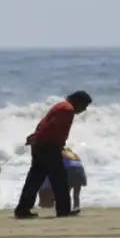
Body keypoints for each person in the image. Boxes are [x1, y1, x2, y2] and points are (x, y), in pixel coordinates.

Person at [14, 91, 92, 219]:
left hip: (40, 145)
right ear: (78, 101)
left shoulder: (61, 106)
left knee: (34, 179)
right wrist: (45, 140)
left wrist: (35, 137)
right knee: (59, 179)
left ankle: (23, 208)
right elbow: (51, 127)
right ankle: (64, 210)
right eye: (84, 106)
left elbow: (44, 124)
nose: (84, 110)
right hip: (48, 147)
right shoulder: (68, 109)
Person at [38, 147, 86, 212]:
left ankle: (65, 208)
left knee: (66, 192)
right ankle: (76, 206)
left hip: (69, 170)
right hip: (79, 169)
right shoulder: (74, 156)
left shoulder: (60, 154)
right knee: (76, 194)